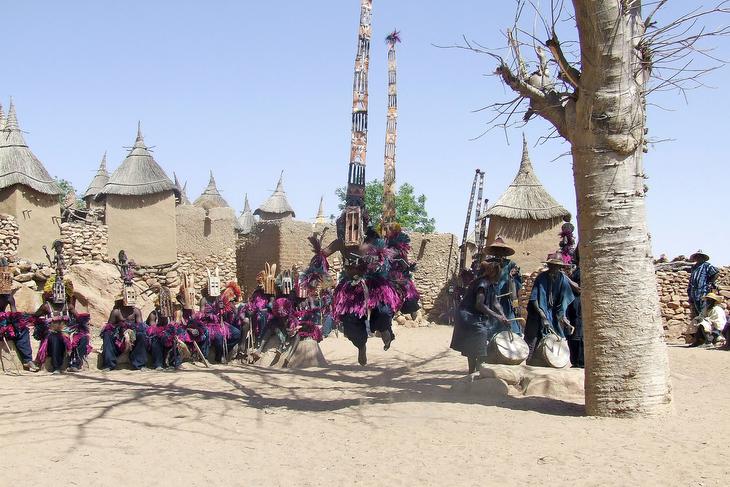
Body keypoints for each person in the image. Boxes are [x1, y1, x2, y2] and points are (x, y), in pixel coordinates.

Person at [450, 260, 510, 374]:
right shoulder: (482, 284)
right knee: (478, 338)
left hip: (474, 316)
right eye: (498, 273)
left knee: (478, 341)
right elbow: (479, 304)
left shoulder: (490, 285)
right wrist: (497, 316)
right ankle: (473, 372)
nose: (500, 275)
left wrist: (502, 315)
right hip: (467, 316)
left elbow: (495, 302)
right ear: (493, 273)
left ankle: (476, 370)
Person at [524, 255, 576, 365]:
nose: (554, 269)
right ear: (548, 266)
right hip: (537, 313)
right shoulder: (541, 277)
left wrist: (565, 320)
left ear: (560, 267)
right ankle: (528, 363)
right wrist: (543, 316)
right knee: (532, 339)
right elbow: (534, 299)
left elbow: (563, 303)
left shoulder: (563, 279)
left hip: (551, 314)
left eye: (557, 267)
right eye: (552, 266)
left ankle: (545, 363)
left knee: (554, 338)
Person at [33, 275, 91, 373]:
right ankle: (56, 367)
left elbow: (79, 320)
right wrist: (43, 326)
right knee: (56, 337)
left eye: (62, 292)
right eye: (57, 292)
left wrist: (80, 328)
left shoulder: (69, 306)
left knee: (84, 338)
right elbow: (34, 317)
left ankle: (74, 364)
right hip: (51, 333)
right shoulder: (46, 306)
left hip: (67, 332)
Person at [0, 257, 38, 372]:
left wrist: (18, 326)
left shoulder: (8, 297)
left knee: (22, 330)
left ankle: (27, 360)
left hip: (2, 323)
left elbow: (15, 314)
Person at [485, 237, 523, 334]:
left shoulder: (511, 265)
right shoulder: (487, 264)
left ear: (504, 252)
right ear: (493, 251)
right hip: (490, 300)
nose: (498, 253)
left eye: (501, 250)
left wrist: (512, 278)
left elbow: (517, 286)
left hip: (506, 302)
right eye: (496, 250)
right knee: (489, 329)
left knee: (511, 328)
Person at [100, 297, 148, 371]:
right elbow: (109, 327)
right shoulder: (116, 312)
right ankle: (109, 364)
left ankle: (139, 364)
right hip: (118, 339)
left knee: (141, 335)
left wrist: (131, 331)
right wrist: (120, 329)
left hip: (132, 338)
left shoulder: (136, 311)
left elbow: (140, 327)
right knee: (107, 334)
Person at [566, 249, 584, 367]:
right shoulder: (577, 269)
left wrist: (567, 279)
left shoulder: (583, 270)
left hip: (579, 305)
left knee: (578, 332)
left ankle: (580, 361)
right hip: (573, 305)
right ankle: (575, 361)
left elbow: (579, 289)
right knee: (572, 332)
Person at [687, 250, 719, 318]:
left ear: (703, 257)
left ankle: (704, 324)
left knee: (704, 309)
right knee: (696, 310)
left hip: (703, 291)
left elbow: (715, 273)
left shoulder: (707, 265)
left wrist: (710, 282)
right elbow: (691, 279)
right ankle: (699, 325)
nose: (698, 258)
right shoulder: (694, 267)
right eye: (697, 256)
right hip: (694, 293)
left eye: (700, 256)